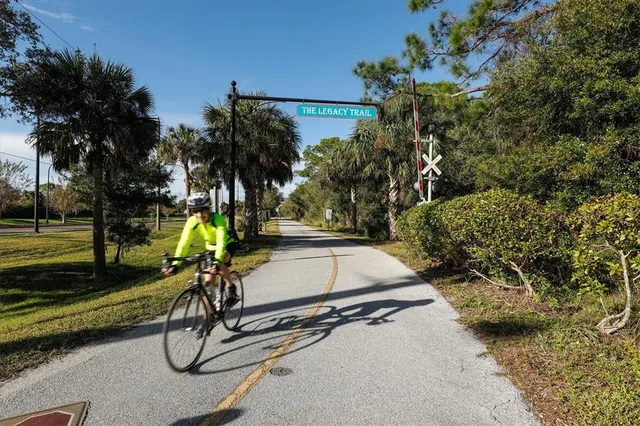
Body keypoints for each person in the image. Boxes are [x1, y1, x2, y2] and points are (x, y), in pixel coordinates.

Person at [162, 192, 239, 312]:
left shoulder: (218, 219)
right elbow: (184, 243)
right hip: (210, 247)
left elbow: (221, 242)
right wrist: (176, 264)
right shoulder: (192, 222)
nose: (199, 214)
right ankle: (209, 318)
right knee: (208, 283)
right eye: (195, 211)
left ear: (209, 209)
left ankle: (231, 287)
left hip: (227, 244)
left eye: (203, 210)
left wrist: (217, 261)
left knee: (221, 260)